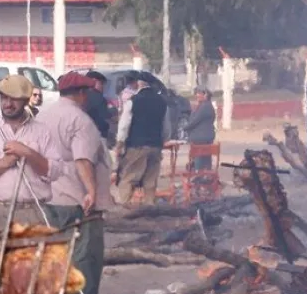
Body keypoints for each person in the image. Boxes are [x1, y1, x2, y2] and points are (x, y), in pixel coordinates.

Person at [37, 72, 114, 294]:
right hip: (75, 195)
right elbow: (83, 160)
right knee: (85, 250)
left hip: (48, 194)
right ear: (82, 93)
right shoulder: (80, 120)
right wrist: (91, 191)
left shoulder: (43, 116)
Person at [0, 74, 63, 244]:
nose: (8, 104)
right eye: (4, 98)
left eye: (14, 99)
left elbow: (54, 172)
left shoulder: (42, 132)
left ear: (26, 100)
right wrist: (5, 163)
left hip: (33, 213)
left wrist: (28, 153)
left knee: (32, 261)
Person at [114, 72, 171, 206]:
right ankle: (149, 206)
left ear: (139, 83)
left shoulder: (133, 101)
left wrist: (119, 144)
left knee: (128, 178)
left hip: (136, 146)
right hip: (155, 146)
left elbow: (124, 126)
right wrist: (162, 140)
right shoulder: (162, 102)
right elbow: (166, 127)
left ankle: (125, 208)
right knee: (150, 180)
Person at [183, 87, 217, 170]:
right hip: (206, 136)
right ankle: (206, 174)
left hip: (200, 138)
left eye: (199, 93)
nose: (197, 95)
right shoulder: (205, 106)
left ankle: (199, 174)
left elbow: (194, 121)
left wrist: (184, 128)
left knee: (199, 158)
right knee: (206, 158)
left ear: (205, 95)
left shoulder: (204, 107)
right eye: (196, 93)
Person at [84, 70, 113, 145]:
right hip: (97, 135)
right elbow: (105, 118)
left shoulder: (80, 95)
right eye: (101, 83)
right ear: (94, 81)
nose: (103, 87)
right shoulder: (98, 97)